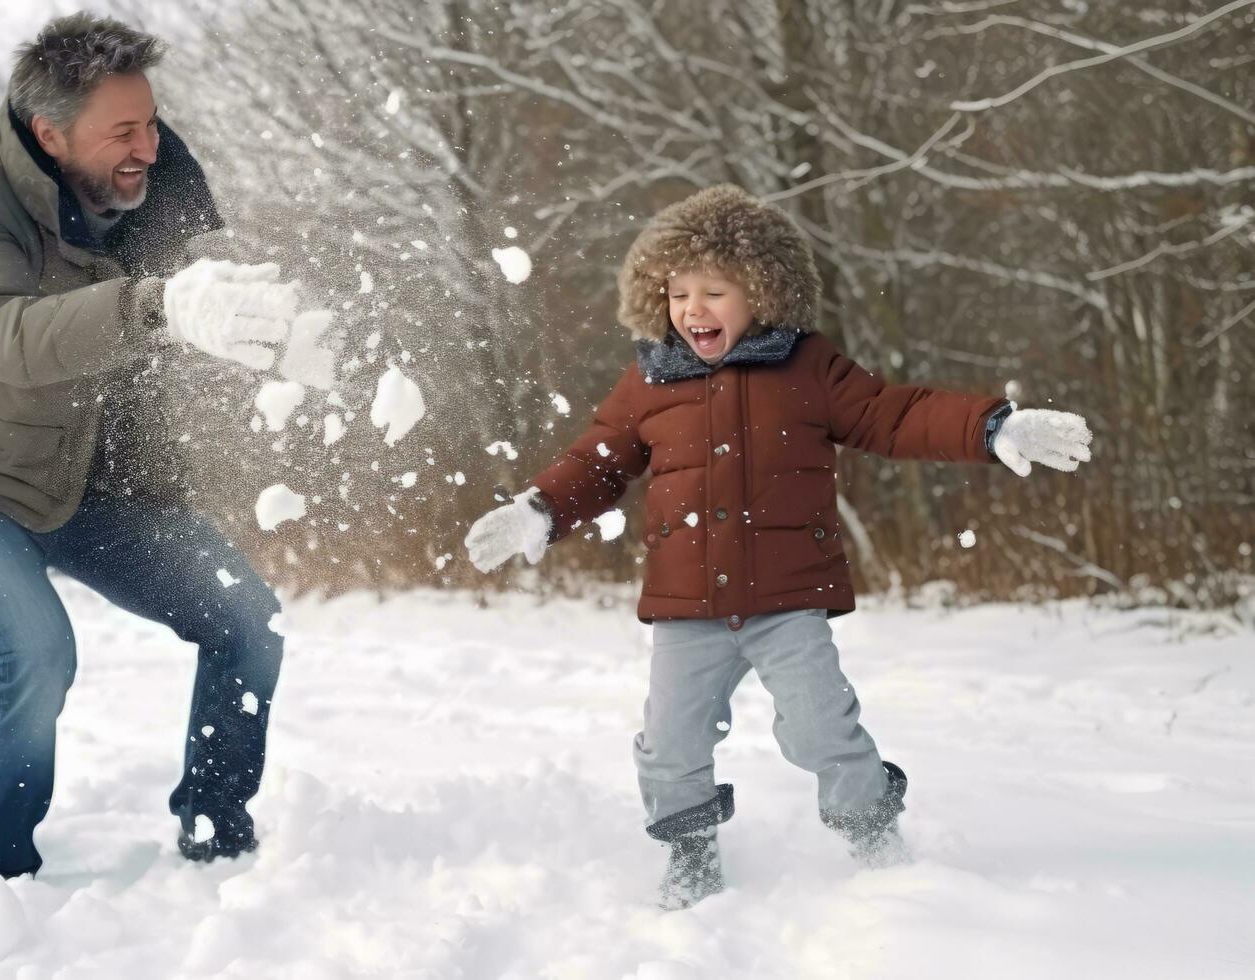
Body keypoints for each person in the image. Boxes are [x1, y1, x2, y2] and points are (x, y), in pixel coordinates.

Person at [463, 184, 1093, 909]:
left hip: (786, 601)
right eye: (677, 294)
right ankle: (690, 858)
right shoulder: (648, 382)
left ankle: (873, 838)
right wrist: (539, 511)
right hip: (686, 607)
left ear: (760, 290)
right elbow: (597, 462)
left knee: (824, 728)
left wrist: (989, 428)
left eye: (713, 291)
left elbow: (894, 415)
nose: (692, 310)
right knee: (669, 743)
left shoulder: (806, 369)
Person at [0, 13, 316, 884]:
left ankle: (215, 831)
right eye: (122, 130)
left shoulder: (149, 195)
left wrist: (285, 340)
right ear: (50, 134)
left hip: (93, 486)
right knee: (36, 653)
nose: (146, 146)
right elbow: (2, 334)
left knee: (247, 621)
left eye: (150, 122)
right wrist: (160, 307)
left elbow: (168, 337)